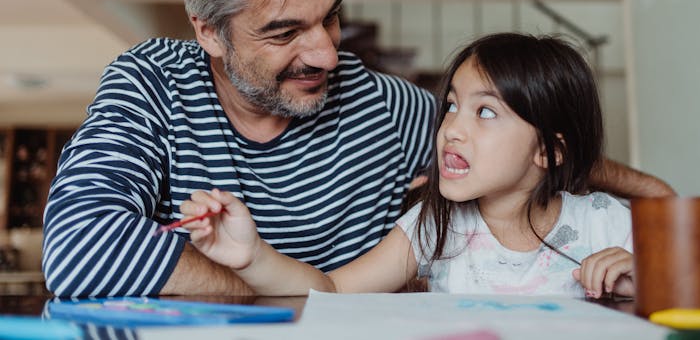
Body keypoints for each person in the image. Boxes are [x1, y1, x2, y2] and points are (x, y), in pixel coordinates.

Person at [42, 0, 669, 298]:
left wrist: (657, 198)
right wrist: (252, 284)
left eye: (331, 19)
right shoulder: (152, 83)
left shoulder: (383, 107)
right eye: (285, 32)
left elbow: (519, 142)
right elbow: (79, 247)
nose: (324, 55)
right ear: (208, 31)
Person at [182, 33, 635, 298]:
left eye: (486, 112)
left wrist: (641, 283)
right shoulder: (433, 225)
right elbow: (333, 292)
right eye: (452, 106)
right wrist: (252, 255)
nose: (451, 129)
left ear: (550, 152)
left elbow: (690, 299)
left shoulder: (606, 222)